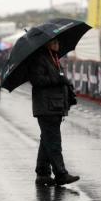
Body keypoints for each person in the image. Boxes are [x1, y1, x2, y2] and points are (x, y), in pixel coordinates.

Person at [28, 39, 79, 186]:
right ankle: (61, 174)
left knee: (47, 141)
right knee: (54, 142)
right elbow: (37, 80)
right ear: (46, 43)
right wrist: (58, 79)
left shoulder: (53, 57)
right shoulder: (39, 58)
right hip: (46, 107)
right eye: (54, 42)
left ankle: (43, 173)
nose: (57, 44)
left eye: (58, 41)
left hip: (54, 106)